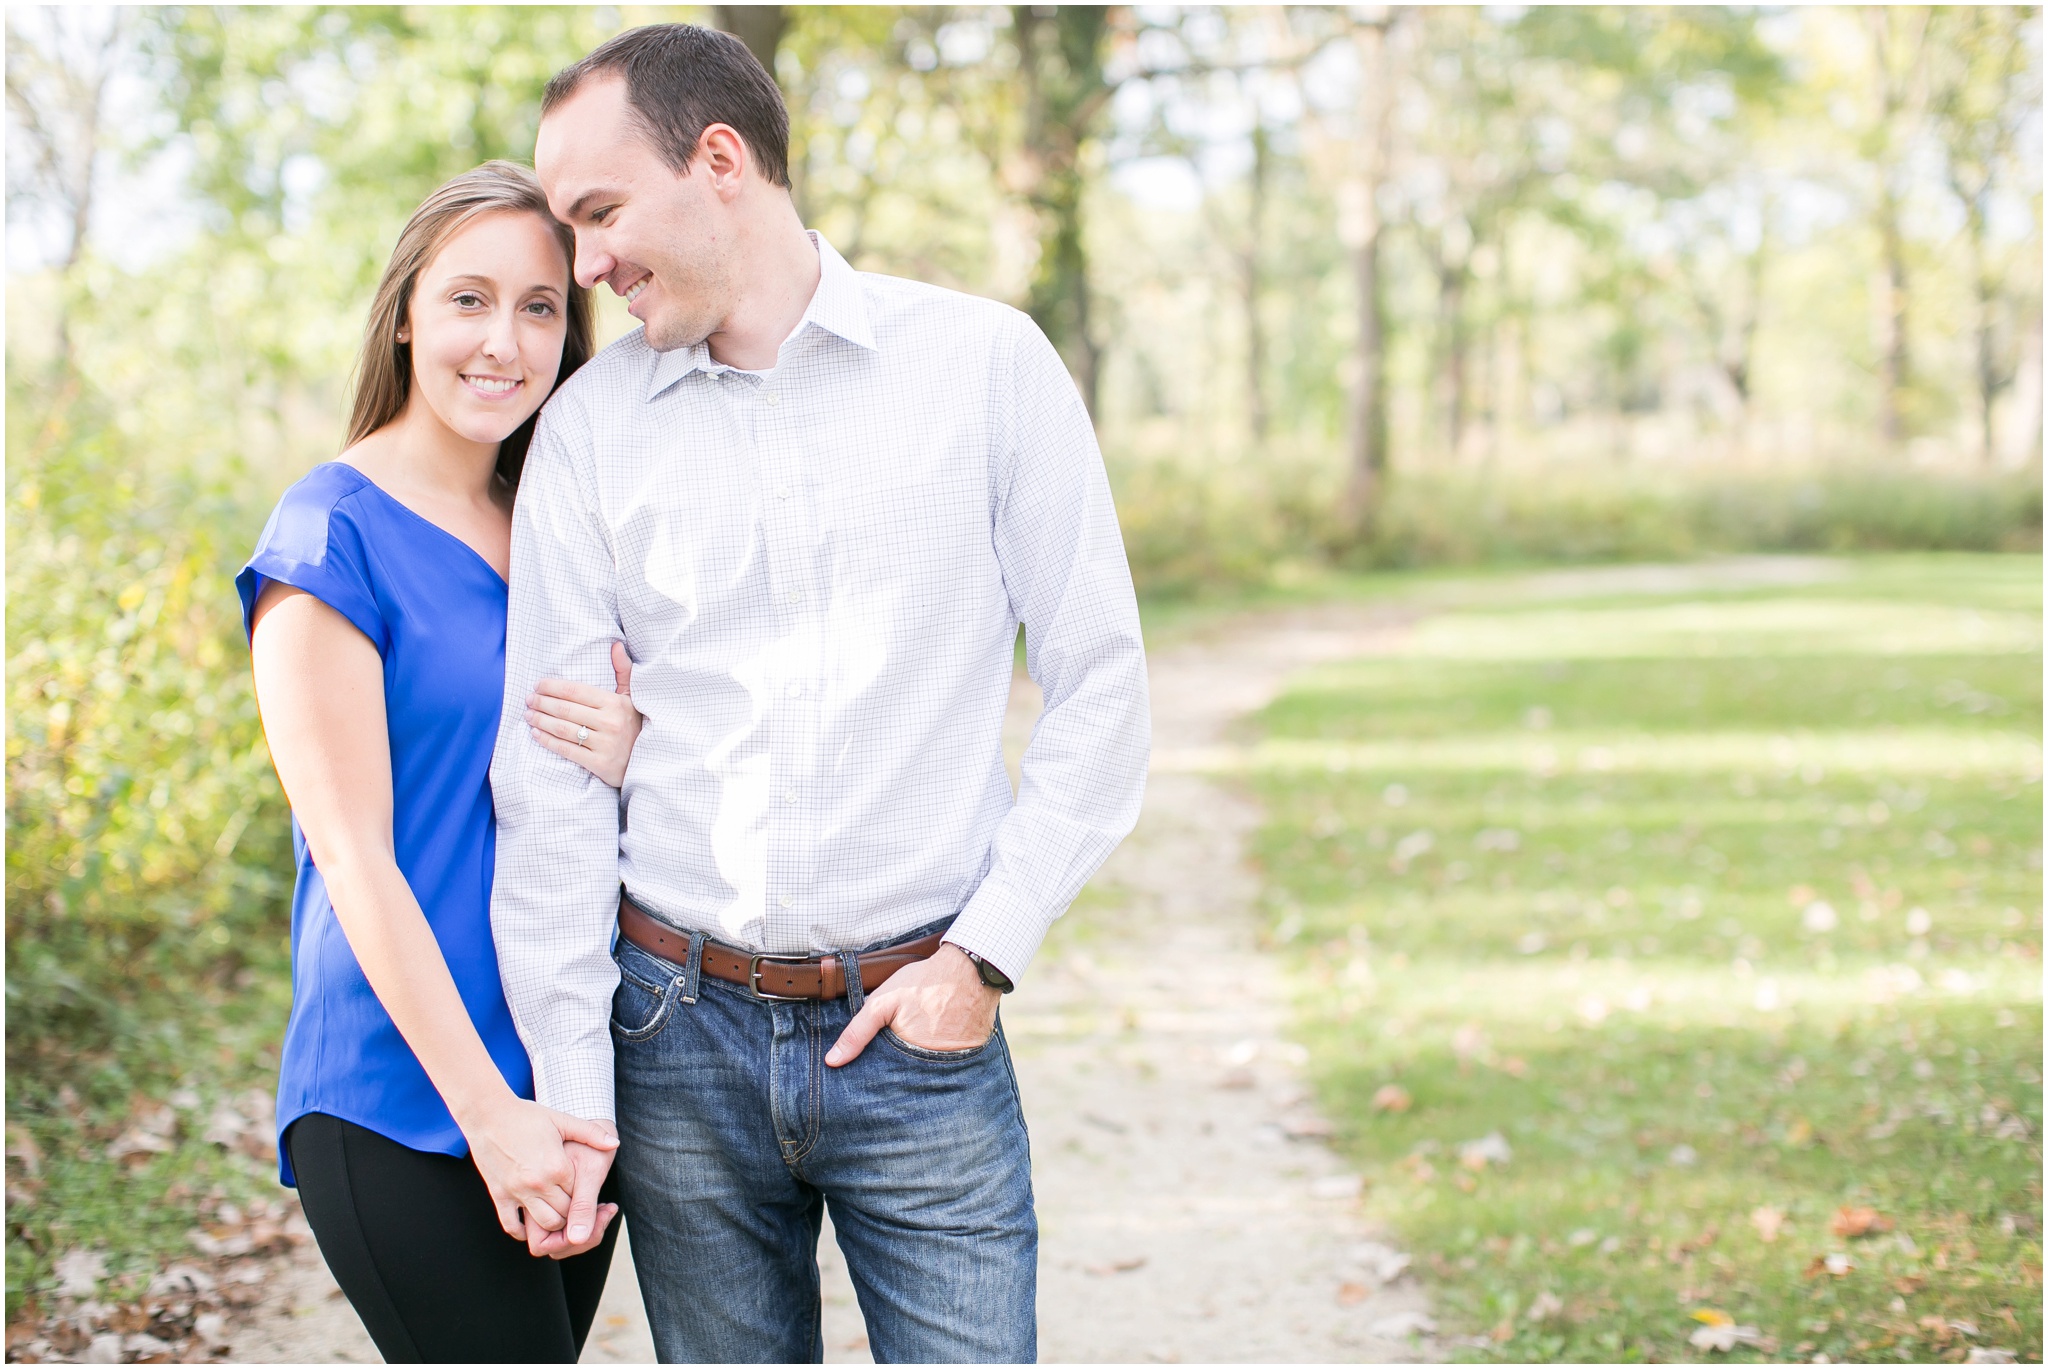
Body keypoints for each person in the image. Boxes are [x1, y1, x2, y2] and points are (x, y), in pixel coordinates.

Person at [490, 23, 1151, 1364]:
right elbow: (552, 782)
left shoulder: (983, 368)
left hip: (921, 1026)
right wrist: (573, 1085)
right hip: (671, 1033)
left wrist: (982, 958)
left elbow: (1101, 684)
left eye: (603, 212)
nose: (588, 265)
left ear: (719, 159)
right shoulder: (592, 431)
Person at [239, 161, 648, 1363]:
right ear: (406, 310)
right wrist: (489, 1117)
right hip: (405, 1094)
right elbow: (352, 853)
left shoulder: (562, 521)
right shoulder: (330, 530)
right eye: (468, 299)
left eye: (539, 308)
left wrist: (640, 758)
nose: (504, 342)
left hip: (567, 1071)